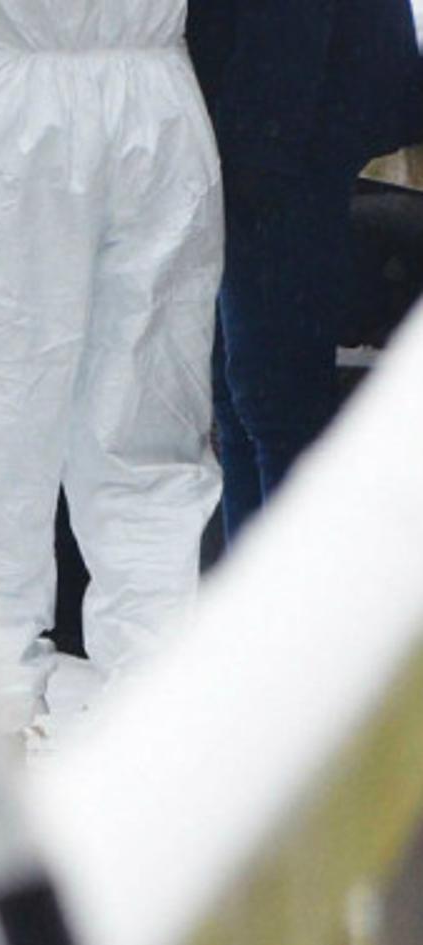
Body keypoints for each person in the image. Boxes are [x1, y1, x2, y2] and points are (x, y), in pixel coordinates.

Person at [0, 0, 226, 724]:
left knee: (2, 434)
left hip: (4, 91)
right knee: (148, 447)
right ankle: (159, 710)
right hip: (151, 94)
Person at [188, 0, 423, 540]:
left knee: (271, 406)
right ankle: (257, 582)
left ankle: (283, 583)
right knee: (246, 406)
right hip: (262, 133)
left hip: (280, 138)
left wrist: (255, 158)